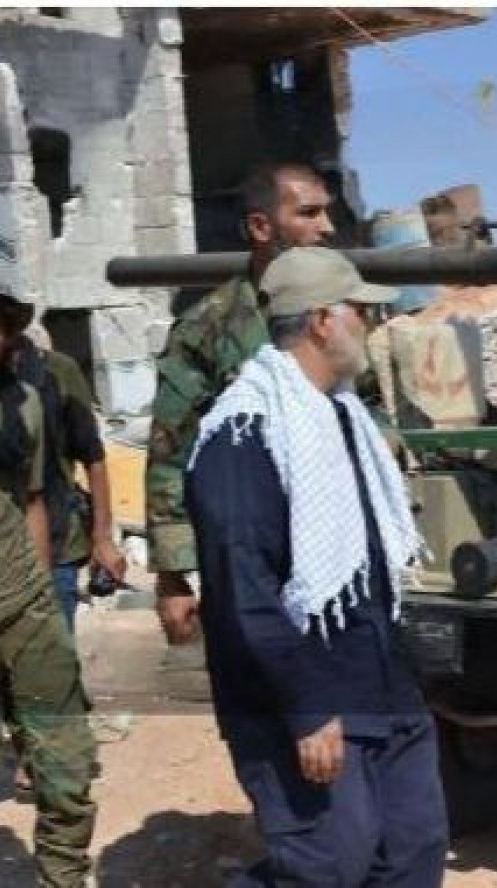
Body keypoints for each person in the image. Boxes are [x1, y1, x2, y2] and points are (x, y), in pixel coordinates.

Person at [185, 246, 448, 887]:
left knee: (414, 848)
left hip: (378, 681)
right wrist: (307, 710)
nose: (371, 322)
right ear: (324, 321)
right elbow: (244, 589)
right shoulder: (245, 434)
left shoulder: (342, 418)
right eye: (361, 309)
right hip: (301, 697)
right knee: (327, 866)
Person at [0, 260, 96, 887]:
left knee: (67, 777)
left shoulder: (27, 406)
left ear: (11, 334)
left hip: (27, 613)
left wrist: (41, 600)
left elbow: (34, 502)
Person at [147, 161, 337, 650]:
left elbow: (375, 415)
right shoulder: (207, 329)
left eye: (326, 214)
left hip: (338, 546)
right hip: (249, 558)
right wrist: (173, 574)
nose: (327, 228)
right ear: (260, 226)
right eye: (309, 214)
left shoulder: (342, 317)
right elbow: (171, 452)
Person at [15, 324, 127, 629]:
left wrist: (103, 539)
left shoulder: (57, 372)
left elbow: (93, 456)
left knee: (52, 662)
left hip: (56, 543)